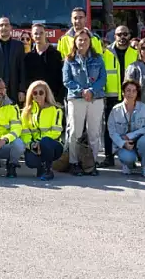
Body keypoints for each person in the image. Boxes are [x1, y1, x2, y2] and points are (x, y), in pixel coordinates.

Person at [62, 29, 105, 175]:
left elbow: (103, 78)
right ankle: (74, 162)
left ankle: (91, 164)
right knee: (75, 132)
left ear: (90, 41)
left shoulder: (98, 58)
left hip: (96, 98)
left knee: (94, 133)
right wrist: (82, 91)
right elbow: (67, 80)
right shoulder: (69, 59)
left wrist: (92, 90)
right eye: (80, 40)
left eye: (85, 39)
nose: (83, 42)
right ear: (75, 41)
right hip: (76, 98)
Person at [101, 25, 137, 167]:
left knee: (131, 128)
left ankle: (130, 158)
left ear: (129, 36)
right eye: (119, 34)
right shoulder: (106, 53)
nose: (122, 37)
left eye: (125, 34)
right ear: (114, 36)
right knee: (109, 129)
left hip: (130, 97)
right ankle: (108, 157)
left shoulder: (135, 53)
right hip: (111, 96)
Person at [108, 79, 145, 178]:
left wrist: (129, 136)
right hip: (123, 143)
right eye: (128, 90)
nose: (131, 93)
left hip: (139, 141)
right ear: (123, 92)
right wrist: (123, 143)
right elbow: (112, 132)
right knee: (128, 158)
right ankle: (127, 165)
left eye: (134, 91)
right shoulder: (115, 110)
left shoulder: (144, 108)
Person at [21, 80, 64, 181]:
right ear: (31, 95)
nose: (38, 95)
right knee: (30, 162)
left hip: (52, 144)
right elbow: (24, 133)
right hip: (35, 145)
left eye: (41, 92)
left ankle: (48, 170)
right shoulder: (26, 112)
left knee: (45, 142)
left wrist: (40, 143)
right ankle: (40, 167)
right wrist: (32, 145)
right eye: (35, 93)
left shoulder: (56, 109)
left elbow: (56, 132)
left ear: (46, 94)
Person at [0, 17, 27, 104]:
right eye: (1, 25)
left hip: (14, 89)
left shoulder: (19, 45)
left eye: (6, 25)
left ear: (10, 28)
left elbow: (22, 68)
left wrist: (22, 90)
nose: (4, 27)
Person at [23, 23, 66, 101]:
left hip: (53, 98)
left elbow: (61, 78)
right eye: (35, 34)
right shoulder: (28, 57)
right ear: (32, 36)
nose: (38, 36)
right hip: (34, 97)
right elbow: (26, 78)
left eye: (41, 33)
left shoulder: (56, 55)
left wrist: (59, 97)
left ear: (45, 34)